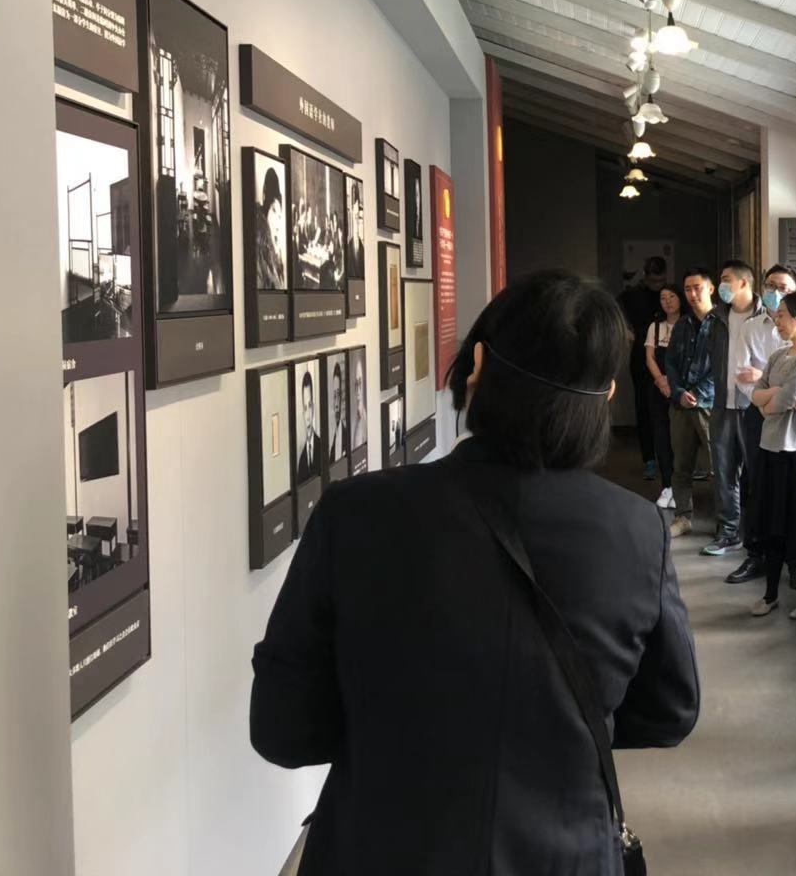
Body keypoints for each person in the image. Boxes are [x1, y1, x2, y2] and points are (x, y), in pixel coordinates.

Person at [250, 269, 700, 874]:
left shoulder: (355, 513)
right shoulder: (637, 530)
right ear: (607, 397)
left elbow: (282, 728)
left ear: (479, 365)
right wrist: (548, 726)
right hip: (565, 851)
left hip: (377, 846)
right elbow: (671, 711)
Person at [747, 291, 796, 617]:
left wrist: (771, 399)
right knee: (772, 524)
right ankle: (770, 594)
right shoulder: (778, 355)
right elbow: (755, 395)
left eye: (781, 315)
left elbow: (787, 399)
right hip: (771, 448)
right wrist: (771, 397)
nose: (776, 321)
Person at [726, 263, 796, 586]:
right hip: (758, 413)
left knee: (794, 486)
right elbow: (741, 374)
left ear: (795, 293)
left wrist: (764, 380)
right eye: (771, 286)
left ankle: (795, 560)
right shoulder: (751, 328)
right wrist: (765, 399)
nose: (775, 292)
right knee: (757, 482)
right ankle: (755, 554)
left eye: (783, 288)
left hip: (795, 415)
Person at [701, 260, 779, 557]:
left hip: (756, 406)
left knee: (758, 473)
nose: (721, 285)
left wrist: (762, 379)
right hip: (723, 403)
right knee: (723, 472)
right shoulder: (716, 318)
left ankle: (759, 535)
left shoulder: (768, 316)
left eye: (725, 279)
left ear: (743, 282)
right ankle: (728, 532)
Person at [664, 268, 719, 531]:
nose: (692, 293)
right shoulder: (682, 324)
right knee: (681, 465)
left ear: (711, 289)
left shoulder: (722, 323)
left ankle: (725, 522)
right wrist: (678, 392)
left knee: (717, 466)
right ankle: (683, 517)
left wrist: (697, 393)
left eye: (697, 287)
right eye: (687, 289)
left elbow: (724, 365)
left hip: (709, 405)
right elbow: (670, 361)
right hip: (680, 405)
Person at [619, 256, 668, 480]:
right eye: (653, 281)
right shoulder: (632, 295)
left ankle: (671, 458)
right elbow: (614, 310)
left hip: (666, 359)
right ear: (646, 276)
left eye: (661, 281)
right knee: (644, 409)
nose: (657, 285)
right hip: (641, 358)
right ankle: (649, 459)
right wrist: (627, 332)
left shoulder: (669, 294)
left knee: (669, 411)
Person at [644, 283, 685, 521]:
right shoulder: (655, 327)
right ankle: (667, 485)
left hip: (681, 389)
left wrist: (675, 385)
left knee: (681, 439)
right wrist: (660, 380)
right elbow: (649, 357)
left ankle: (681, 489)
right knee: (661, 436)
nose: (667, 301)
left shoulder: (688, 324)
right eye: (663, 298)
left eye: (671, 297)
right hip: (659, 388)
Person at [256, 165, 286, 290]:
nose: (277, 221)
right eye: (273, 210)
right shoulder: (259, 248)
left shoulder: (277, 249)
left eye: (280, 215)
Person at [297, 370, 321, 481]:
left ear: (314, 408)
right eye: (305, 408)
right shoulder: (301, 460)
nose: (307, 416)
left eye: (310, 406)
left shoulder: (322, 447)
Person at [328, 362, 345, 464]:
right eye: (334, 396)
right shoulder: (331, 438)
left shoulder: (346, 435)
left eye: (338, 394)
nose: (336, 403)